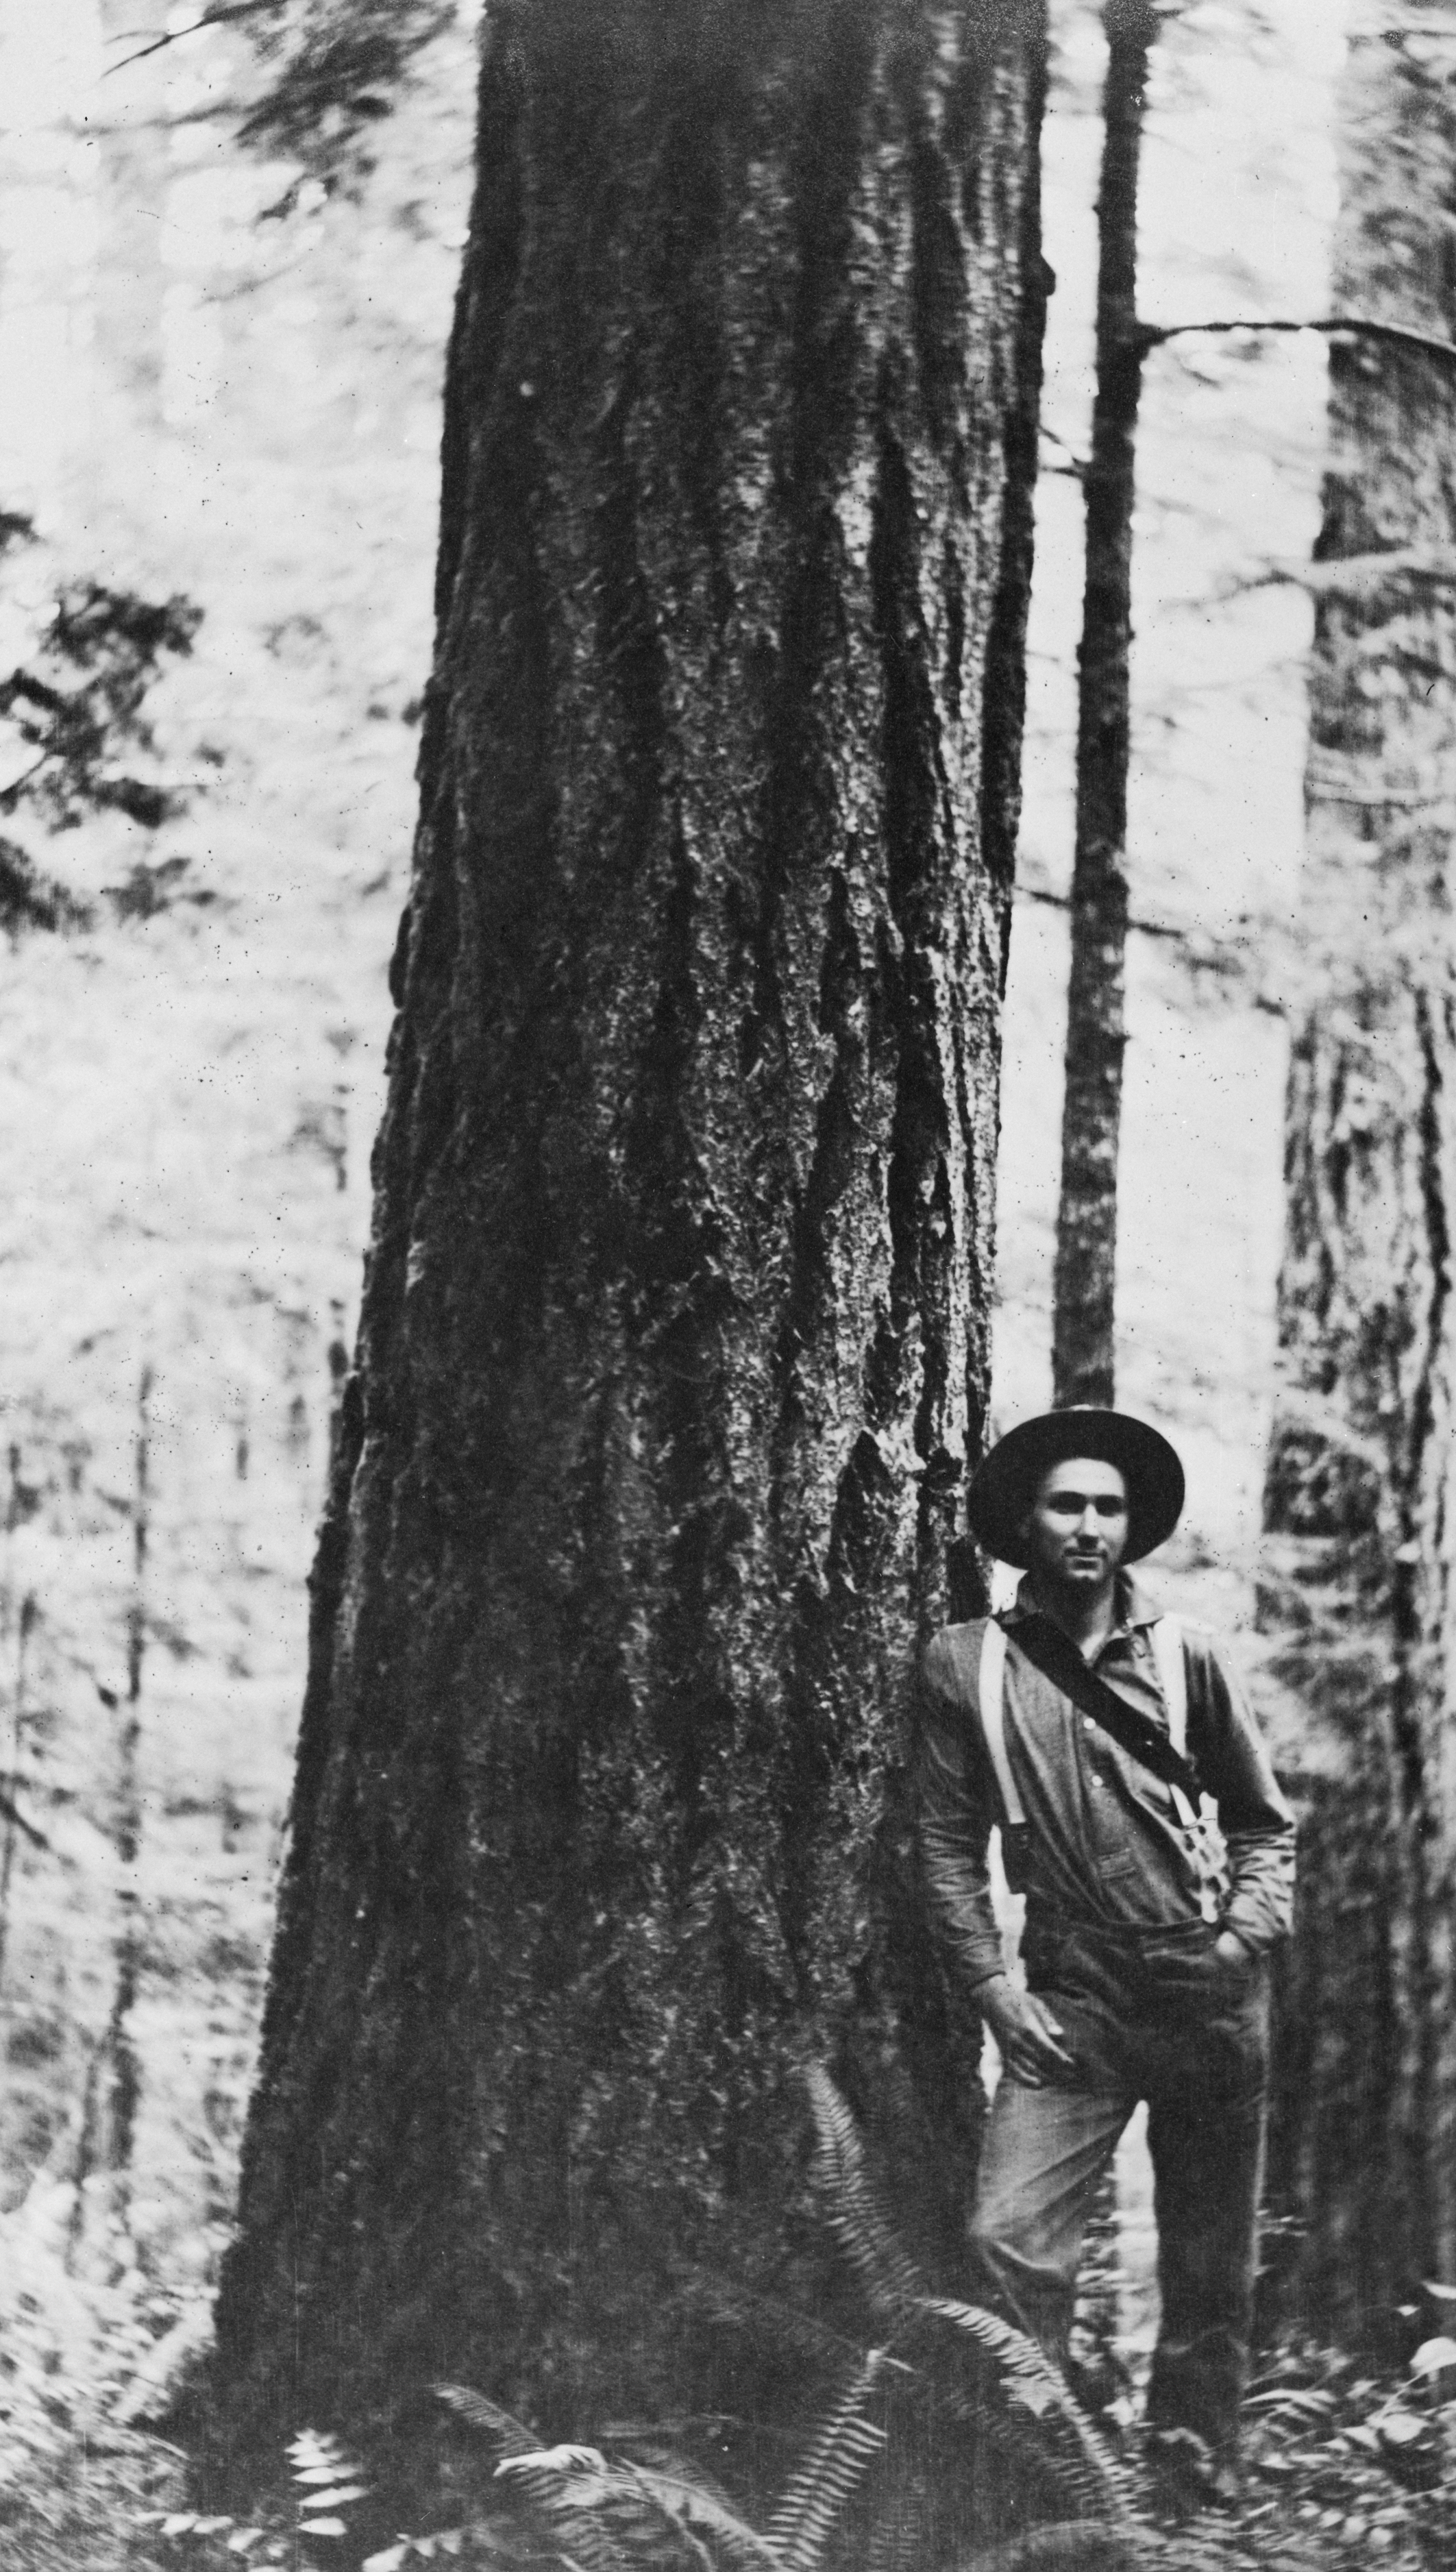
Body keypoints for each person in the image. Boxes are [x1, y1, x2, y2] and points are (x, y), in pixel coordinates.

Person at [919, 1408, 1294, 2510]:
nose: (1086, 1527)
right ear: (1025, 1523)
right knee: (1009, 2240)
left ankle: (1190, 2474)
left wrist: (1238, 1939)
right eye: (1065, 1504)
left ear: (1129, 1529)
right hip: (1070, 1993)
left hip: (1206, 1988)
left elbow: (1263, 1822)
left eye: (1107, 1508)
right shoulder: (963, 1664)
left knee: (1209, 2263)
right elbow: (942, 1841)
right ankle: (1040, 2478)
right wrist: (992, 1986)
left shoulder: (1186, 1658)